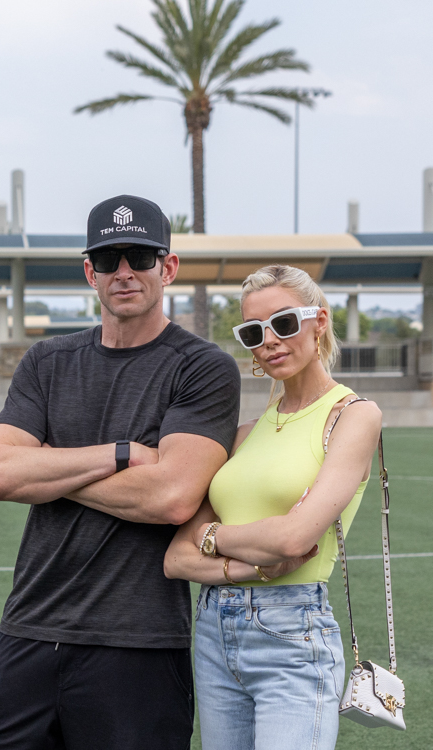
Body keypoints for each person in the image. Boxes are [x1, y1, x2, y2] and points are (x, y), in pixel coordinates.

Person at [0, 195, 242, 749]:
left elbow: (171, 497)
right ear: (89, 271)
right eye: (109, 258)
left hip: (137, 643)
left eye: (140, 257)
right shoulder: (47, 362)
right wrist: (122, 453)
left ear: (166, 268)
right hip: (29, 627)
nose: (124, 272)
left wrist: (49, 465)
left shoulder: (201, 368)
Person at [164, 264, 381, 750]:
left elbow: (294, 540)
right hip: (215, 629)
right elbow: (176, 558)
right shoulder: (243, 433)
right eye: (253, 331)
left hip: (293, 634)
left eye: (284, 323)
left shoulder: (354, 415)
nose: (269, 341)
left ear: (319, 321)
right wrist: (251, 565)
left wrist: (214, 538)